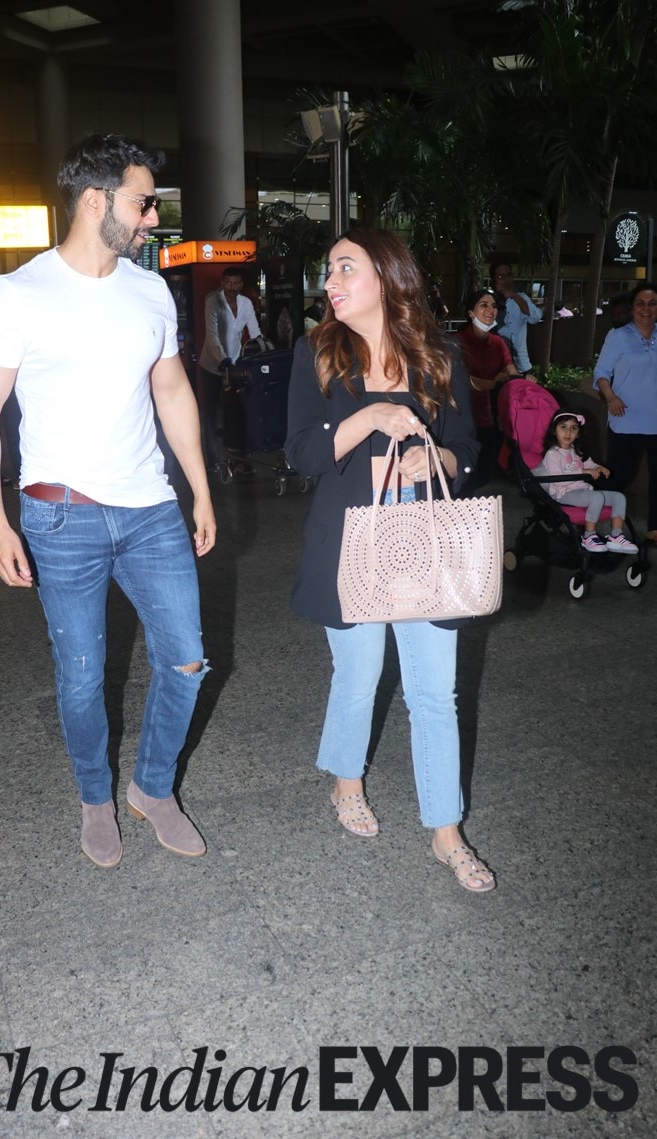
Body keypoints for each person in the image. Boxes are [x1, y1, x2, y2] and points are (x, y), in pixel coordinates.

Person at [0, 132, 216, 869]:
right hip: (60, 511)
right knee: (80, 673)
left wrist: (198, 488)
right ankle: (94, 798)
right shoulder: (20, 294)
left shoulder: (148, 289)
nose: (150, 220)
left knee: (188, 660)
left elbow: (171, 389)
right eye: (141, 204)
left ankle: (153, 787)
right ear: (95, 199)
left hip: (149, 510)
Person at [285, 228, 495, 894]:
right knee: (361, 673)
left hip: (424, 541)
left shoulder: (438, 356)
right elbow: (301, 454)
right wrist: (373, 413)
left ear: (386, 275)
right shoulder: (316, 353)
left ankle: (446, 832)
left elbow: (466, 445)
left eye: (344, 267)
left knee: (436, 692)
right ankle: (346, 785)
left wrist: (439, 457)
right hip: (348, 541)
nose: (330, 281)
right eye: (327, 270)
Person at [593, 283, 657, 543]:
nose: (646, 309)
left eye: (652, 303)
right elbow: (601, 373)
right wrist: (610, 397)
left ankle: (654, 529)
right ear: (632, 308)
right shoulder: (617, 336)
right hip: (625, 419)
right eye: (640, 303)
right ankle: (588, 521)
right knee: (617, 476)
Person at [539, 411, 638, 553]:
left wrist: (598, 467)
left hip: (582, 490)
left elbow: (589, 464)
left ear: (578, 433)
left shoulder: (577, 450)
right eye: (563, 427)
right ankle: (589, 536)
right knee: (597, 497)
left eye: (573, 428)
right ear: (554, 431)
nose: (568, 432)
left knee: (619, 497)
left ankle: (616, 536)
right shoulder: (552, 454)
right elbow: (558, 479)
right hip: (564, 493)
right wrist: (583, 472)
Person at [455, 289, 524, 488]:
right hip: (461, 419)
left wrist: (525, 380)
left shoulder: (498, 343)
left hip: (486, 418)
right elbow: (463, 381)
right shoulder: (457, 341)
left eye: (493, 306)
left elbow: (512, 372)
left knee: (484, 474)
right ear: (470, 312)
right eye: (484, 305)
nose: (490, 310)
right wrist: (496, 381)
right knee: (463, 480)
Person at [198, 266, 261, 474]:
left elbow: (254, 332)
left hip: (234, 364)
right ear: (222, 283)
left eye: (236, 283)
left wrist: (260, 348)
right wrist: (222, 360)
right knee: (210, 413)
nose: (232, 287)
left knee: (236, 412)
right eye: (228, 283)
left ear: (241, 285)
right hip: (212, 364)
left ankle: (238, 459)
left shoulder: (246, 304)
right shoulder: (213, 302)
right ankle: (213, 460)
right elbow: (212, 335)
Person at [490, 260, 542, 379]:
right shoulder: (490, 302)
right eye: (501, 276)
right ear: (494, 280)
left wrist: (514, 295)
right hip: (499, 366)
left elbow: (535, 318)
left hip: (523, 365)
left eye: (508, 275)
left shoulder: (521, 298)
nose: (505, 279)